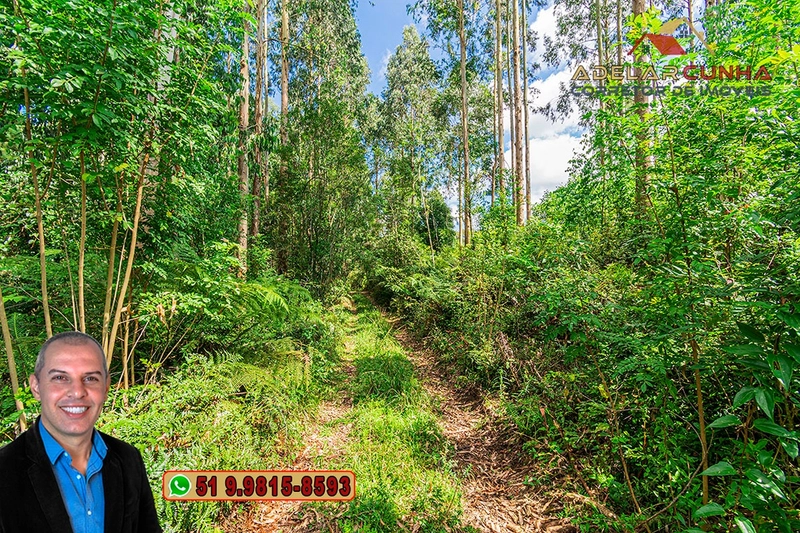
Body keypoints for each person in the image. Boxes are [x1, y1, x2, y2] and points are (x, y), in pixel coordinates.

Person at [0, 331, 162, 533]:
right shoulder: (4, 470)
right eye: (60, 377)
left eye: (90, 378)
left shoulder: (128, 459)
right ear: (36, 387)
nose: (77, 392)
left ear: (105, 387)